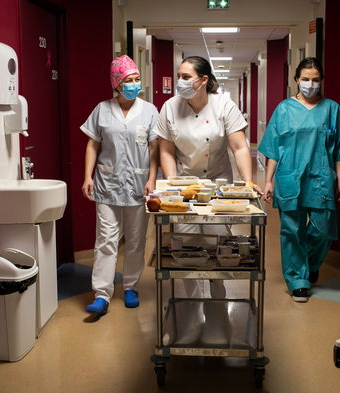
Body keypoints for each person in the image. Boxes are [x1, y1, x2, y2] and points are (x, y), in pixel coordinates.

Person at [154, 55, 261, 298]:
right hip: (184, 183)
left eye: (186, 77)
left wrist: (247, 184)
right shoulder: (170, 107)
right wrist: (173, 189)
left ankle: (217, 287)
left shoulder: (224, 105)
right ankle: (191, 299)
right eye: (179, 76)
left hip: (217, 183)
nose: (180, 81)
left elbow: (239, 147)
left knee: (218, 239)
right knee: (184, 240)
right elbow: (166, 152)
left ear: (203, 80)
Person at [259, 57, 340, 303]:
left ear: (321, 81)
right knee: (292, 230)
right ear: (296, 80)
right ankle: (298, 280)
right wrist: (268, 181)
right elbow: (273, 149)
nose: (310, 84)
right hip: (289, 176)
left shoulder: (332, 109)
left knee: (323, 229)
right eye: (305, 79)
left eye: (315, 80)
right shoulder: (284, 109)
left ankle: (310, 264)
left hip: (322, 176)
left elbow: (338, 150)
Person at [80, 55, 159, 314]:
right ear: (116, 84)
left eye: (137, 80)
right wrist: (87, 176)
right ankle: (101, 294)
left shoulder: (149, 110)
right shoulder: (102, 109)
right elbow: (93, 143)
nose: (135, 84)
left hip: (139, 183)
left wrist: (152, 178)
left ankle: (130, 286)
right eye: (129, 80)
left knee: (136, 240)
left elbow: (154, 147)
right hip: (107, 183)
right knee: (106, 239)